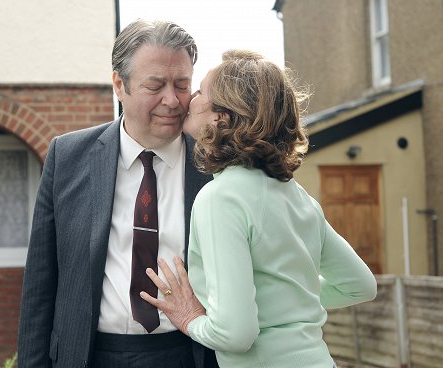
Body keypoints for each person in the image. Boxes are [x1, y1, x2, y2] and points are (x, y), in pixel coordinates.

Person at [140, 49, 378, 368]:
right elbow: (360, 286)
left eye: (199, 92)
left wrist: (189, 319)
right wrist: (290, 298)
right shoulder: (298, 197)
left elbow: (237, 335)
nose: (188, 100)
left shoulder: (220, 198)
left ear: (220, 118)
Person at [18, 19, 218, 368]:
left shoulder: (217, 165)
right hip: (90, 356)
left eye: (182, 85)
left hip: (190, 354)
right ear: (119, 85)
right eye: (155, 85)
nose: (171, 100)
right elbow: (40, 284)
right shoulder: (67, 157)